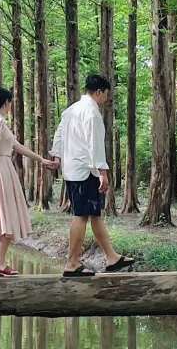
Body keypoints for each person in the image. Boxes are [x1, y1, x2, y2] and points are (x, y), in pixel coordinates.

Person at [50, 73, 135, 277]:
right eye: (106, 94)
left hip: (72, 169)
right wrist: (102, 172)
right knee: (81, 216)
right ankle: (71, 263)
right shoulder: (91, 112)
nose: (106, 98)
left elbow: (59, 134)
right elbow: (94, 143)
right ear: (98, 92)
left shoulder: (70, 110)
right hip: (85, 171)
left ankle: (111, 257)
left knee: (95, 215)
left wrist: (57, 156)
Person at [0, 86, 57, 277]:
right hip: (0, 170)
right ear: (7, 102)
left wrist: (41, 160)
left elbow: (15, 145)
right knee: (6, 215)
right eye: (11, 102)